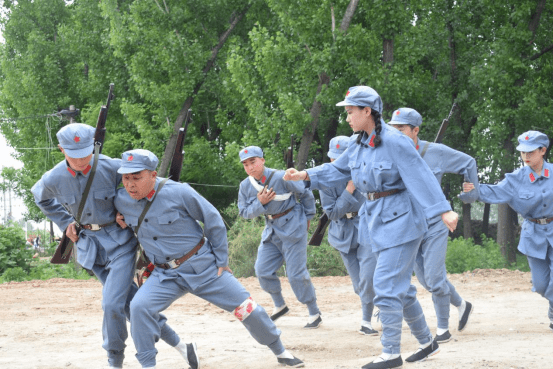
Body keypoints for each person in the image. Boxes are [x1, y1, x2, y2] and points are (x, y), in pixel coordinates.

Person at [284, 86, 459, 369]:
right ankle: (427, 343)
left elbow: (421, 175)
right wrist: (305, 174)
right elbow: (337, 170)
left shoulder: (396, 141)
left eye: (351, 111)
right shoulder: (358, 142)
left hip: (402, 220)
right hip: (375, 219)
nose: (347, 118)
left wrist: (443, 210)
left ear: (368, 111)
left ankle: (391, 353)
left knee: (386, 287)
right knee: (402, 289)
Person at [114, 149, 305, 369]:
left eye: (136, 178)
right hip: (164, 274)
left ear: (153, 175)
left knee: (247, 307)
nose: (130, 184)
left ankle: (280, 351)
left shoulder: (179, 192)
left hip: (203, 268)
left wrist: (222, 260)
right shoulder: (120, 199)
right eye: (126, 178)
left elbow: (213, 219)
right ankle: (148, 365)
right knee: (138, 307)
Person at [31, 124, 194, 369]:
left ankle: (114, 360)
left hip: (120, 243)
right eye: (73, 155)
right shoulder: (53, 178)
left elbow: (142, 188)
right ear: (61, 149)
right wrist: (65, 222)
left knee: (111, 304)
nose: (80, 160)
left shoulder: (111, 166)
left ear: (94, 146)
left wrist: (124, 209)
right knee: (129, 304)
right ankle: (180, 345)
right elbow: (40, 197)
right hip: (90, 247)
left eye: (85, 153)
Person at [388, 107, 476, 342]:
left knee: (435, 279)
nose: (395, 133)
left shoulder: (434, 151)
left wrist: (469, 194)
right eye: (392, 128)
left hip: (436, 222)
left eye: (401, 129)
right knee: (427, 280)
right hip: (408, 225)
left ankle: (442, 330)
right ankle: (462, 304)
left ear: (415, 130)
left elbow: (468, 162)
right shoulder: (389, 153)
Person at [463, 130, 553, 333]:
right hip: (534, 235)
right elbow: (493, 191)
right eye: (523, 152)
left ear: (543, 150)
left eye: (531, 151)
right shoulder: (515, 180)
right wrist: (472, 189)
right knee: (540, 285)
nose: (526, 156)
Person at [238, 146, 322, 328]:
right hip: (271, 230)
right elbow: (244, 212)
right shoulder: (245, 186)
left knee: (295, 274)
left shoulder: (281, 176)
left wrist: (308, 217)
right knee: (262, 270)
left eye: (253, 162)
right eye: (245, 164)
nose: (250, 167)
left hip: (293, 225)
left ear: (262, 160)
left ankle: (314, 311)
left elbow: (305, 193)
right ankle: (280, 305)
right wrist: (260, 203)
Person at [319, 135, 378, 336]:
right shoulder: (325, 181)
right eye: (332, 159)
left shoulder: (366, 172)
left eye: (340, 158)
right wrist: (349, 190)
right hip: (342, 233)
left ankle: (366, 322)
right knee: (358, 285)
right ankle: (383, 304)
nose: (335, 163)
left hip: (367, 228)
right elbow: (332, 212)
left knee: (367, 279)